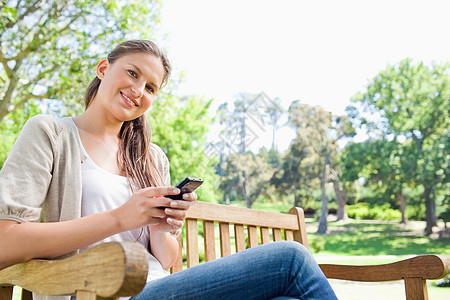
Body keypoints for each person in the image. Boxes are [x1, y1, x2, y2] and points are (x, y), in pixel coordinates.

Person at [0, 40, 337, 300]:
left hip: (158, 287)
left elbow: (165, 259)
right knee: (291, 258)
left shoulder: (150, 157)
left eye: (150, 88)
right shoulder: (50, 133)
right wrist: (121, 218)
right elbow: (5, 244)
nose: (138, 91)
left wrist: (163, 226)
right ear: (103, 68)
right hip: (94, 289)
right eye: (132, 73)